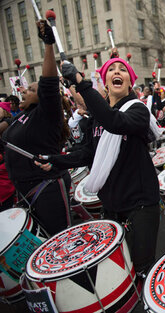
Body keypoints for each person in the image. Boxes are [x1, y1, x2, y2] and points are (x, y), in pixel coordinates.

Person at [37, 56, 161, 275]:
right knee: (119, 270)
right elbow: (86, 154)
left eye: (122, 70)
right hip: (111, 205)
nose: (116, 72)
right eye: (111, 69)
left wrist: (81, 83)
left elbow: (114, 122)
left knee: (142, 268)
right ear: (105, 83)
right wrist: (54, 160)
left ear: (130, 82)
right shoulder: (97, 118)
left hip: (140, 203)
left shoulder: (138, 110)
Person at [0, 20, 71, 235]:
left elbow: (49, 83)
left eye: (30, 89)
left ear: (42, 97)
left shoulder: (46, 115)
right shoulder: (22, 117)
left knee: (58, 244)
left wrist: (48, 44)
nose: (23, 91)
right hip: (24, 191)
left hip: (46, 189)